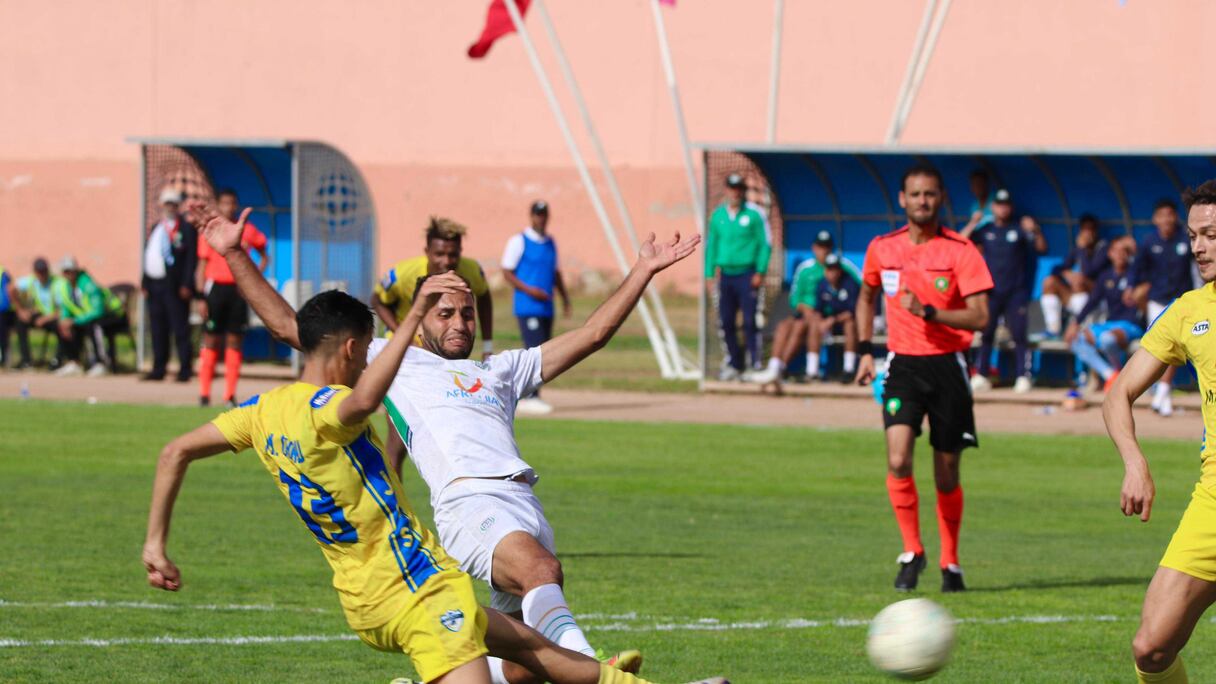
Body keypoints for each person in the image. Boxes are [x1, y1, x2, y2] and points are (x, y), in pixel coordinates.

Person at [141, 231, 693, 684]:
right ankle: (596, 667)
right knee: (540, 571)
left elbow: (594, 333)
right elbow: (296, 329)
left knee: (525, 659)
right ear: (419, 319)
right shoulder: (390, 358)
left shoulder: (500, 370)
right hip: (466, 505)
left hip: (521, 502)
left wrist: (643, 270)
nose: (458, 323)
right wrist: (235, 254)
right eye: (445, 312)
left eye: (468, 313)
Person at [854, 164, 993, 593]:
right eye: (915, 194)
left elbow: (980, 317)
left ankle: (951, 562)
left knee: (946, 473)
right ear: (902, 199)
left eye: (930, 194)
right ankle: (912, 551)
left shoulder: (960, 251)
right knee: (898, 459)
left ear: (941, 199)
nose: (922, 201)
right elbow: (866, 295)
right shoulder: (883, 248)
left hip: (948, 365)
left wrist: (931, 312)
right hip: (903, 365)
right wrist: (865, 350)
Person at [1103, 180, 1216, 684]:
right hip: (1213, 502)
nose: (1199, 247)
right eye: (1194, 236)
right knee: (1151, 649)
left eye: (1211, 235)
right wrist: (1135, 463)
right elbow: (1117, 395)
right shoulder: (1188, 311)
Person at [373, 216, 494, 475]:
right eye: (439, 254)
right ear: (427, 251)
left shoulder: (471, 271)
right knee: (398, 441)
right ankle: (392, 498)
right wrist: (403, 332)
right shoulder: (404, 273)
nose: (447, 261)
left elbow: (484, 296)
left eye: (453, 254)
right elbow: (378, 299)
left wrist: (488, 344)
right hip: (405, 357)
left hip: (444, 355)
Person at [963, 189, 1047, 393]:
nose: (1003, 209)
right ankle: (982, 374)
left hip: (1015, 292)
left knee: (1019, 334)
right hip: (992, 292)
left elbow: (1041, 248)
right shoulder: (986, 230)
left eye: (1006, 205)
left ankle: (1022, 376)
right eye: (999, 205)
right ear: (993, 207)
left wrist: (1035, 230)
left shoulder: (1018, 229)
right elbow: (961, 242)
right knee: (986, 333)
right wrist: (973, 222)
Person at [751, 231, 862, 384]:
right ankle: (775, 366)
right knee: (784, 326)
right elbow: (795, 299)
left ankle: (789, 369)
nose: (824, 251)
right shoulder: (805, 269)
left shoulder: (844, 267)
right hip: (807, 313)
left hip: (831, 316)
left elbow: (862, 290)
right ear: (814, 248)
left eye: (827, 247)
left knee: (805, 326)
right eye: (820, 247)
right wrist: (808, 311)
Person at [195, 188, 269, 407]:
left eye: (232, 203)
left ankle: (229, 394)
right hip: (216, 290)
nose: (229, 207)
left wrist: (252, 278)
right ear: (219, 205)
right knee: (211, 338)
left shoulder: (246, 230)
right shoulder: (212, 230)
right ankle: (204, 393)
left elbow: (264, 256)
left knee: (235, 340)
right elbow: (201, 266)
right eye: (225, 203)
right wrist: (201, 297)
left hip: (238, 290)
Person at [501, 200, 572, 415]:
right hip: (527, 305)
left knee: (545, 349)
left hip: (546, 306)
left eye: (544, 215)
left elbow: (555, 273)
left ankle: (532, 394)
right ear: (531, 216)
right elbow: (507, 271)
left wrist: (565, 298)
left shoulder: (550, 242)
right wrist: (529, 290)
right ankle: (530, 396)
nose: (541, 219)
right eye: (538, 214)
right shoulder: (519, 241)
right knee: (534, 349)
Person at [705, 173, 771, 380]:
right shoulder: (718, 215)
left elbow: (765, 244)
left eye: (738, 189)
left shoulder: (754, 214)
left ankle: (754, 363)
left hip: (748, 274)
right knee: (726, 321)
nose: (735, 193)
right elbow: (711, 245)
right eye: (732, 188)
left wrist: (760, 271)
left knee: (750, 321)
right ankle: (735, 362)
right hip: (726, 276)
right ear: (727, 190)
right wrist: (709, 273)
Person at [1130, 199, 1192, 417]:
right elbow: (1137, 268)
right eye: (1162, 215)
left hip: (1181, 302)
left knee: (1174, 345)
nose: (1166, 219)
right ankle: (1161, 393)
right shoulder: (1149, 242)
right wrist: (1132, 288)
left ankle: (1162, 391)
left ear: (1176, 217)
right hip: (1156, 302)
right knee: (1159, 348)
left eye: (1170, 214)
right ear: (1155, 219)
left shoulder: (1186, 240)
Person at [1066, 238, 1143, 392]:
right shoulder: (1106, 276)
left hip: (1130, 325)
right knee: (1075, 339)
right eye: (1116, 251)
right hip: (1109, 324)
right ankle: (1111, 375)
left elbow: (1144, 267)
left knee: (1107, 339)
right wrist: (1075, 323)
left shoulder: (1135, 273)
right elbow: (1092, 301)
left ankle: (1119, 375)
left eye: (1124, 251)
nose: (1120, 255)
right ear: (1110, 254)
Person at [142, 187, 197, 382]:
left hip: (175, 286)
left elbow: (191, 258)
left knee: (180, 327)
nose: (170, 207)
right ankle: (159, 368)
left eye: (173, 204)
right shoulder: (157, 227)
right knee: (158, 328)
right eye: (167, 203)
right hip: (154, 285)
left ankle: (185, 369)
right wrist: (144, 282)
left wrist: (187, 284)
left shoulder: (185, 228)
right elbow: (149, 255)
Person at [53, 256, 126, 377]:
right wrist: (64, 321)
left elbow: (98, 311)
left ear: (76, 271)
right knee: (63, 326)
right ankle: (74, 362)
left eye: (70, 271)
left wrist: (74, 321)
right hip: (87, 318)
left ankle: (101, 363)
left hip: (114, 314)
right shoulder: (65, 287)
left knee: (94, 325)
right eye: (66, 271)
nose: (68, 274)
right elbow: (66, 307)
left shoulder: (88, 285)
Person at [1039, 214, 1109, 337]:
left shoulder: (1104, 248)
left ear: (1096, 231)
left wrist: (1082, 249)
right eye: (1084, 229)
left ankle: (1083, 327)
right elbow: (1057, 269)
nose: (1087, 233)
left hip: (1098, 294)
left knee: (1079, 280)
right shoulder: (1078, 248)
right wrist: (1065, 273)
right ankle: (1053, 329)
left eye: (1090, 229)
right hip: (1078, 293)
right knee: (1049, 281)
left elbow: (1089, 271)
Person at [805, 253, 861, 381]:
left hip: (845, 323)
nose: (832, 273)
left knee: (850, 325)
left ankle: (848, 369)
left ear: (840, 271)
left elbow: (852, 312)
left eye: (835, 269)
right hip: (829, 324)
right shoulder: (822, 284)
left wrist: (832, 320)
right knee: (814, 326)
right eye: (829, 269)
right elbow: (817, 309)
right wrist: (821, 322)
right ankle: (811, 371)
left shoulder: (850, 283)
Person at [11, 258, 63, 369]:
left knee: (61, 327)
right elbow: (11, 288)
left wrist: (45, 319)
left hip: (53, 317)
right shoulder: (31, 281)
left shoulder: (57, 284)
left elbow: (63, 309)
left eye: (44, 271)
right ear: (35, 272)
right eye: (39, 272)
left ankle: (57, 361)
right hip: (40, 315)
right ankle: (26, 360)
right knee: (21, 322)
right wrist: (21, 310)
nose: (41, 274)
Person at [959, 169, 994, 236]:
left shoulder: (996, 201)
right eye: (974, 184)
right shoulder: (974, 206)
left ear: (986, 184)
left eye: (980, 183)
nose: (978, 187)